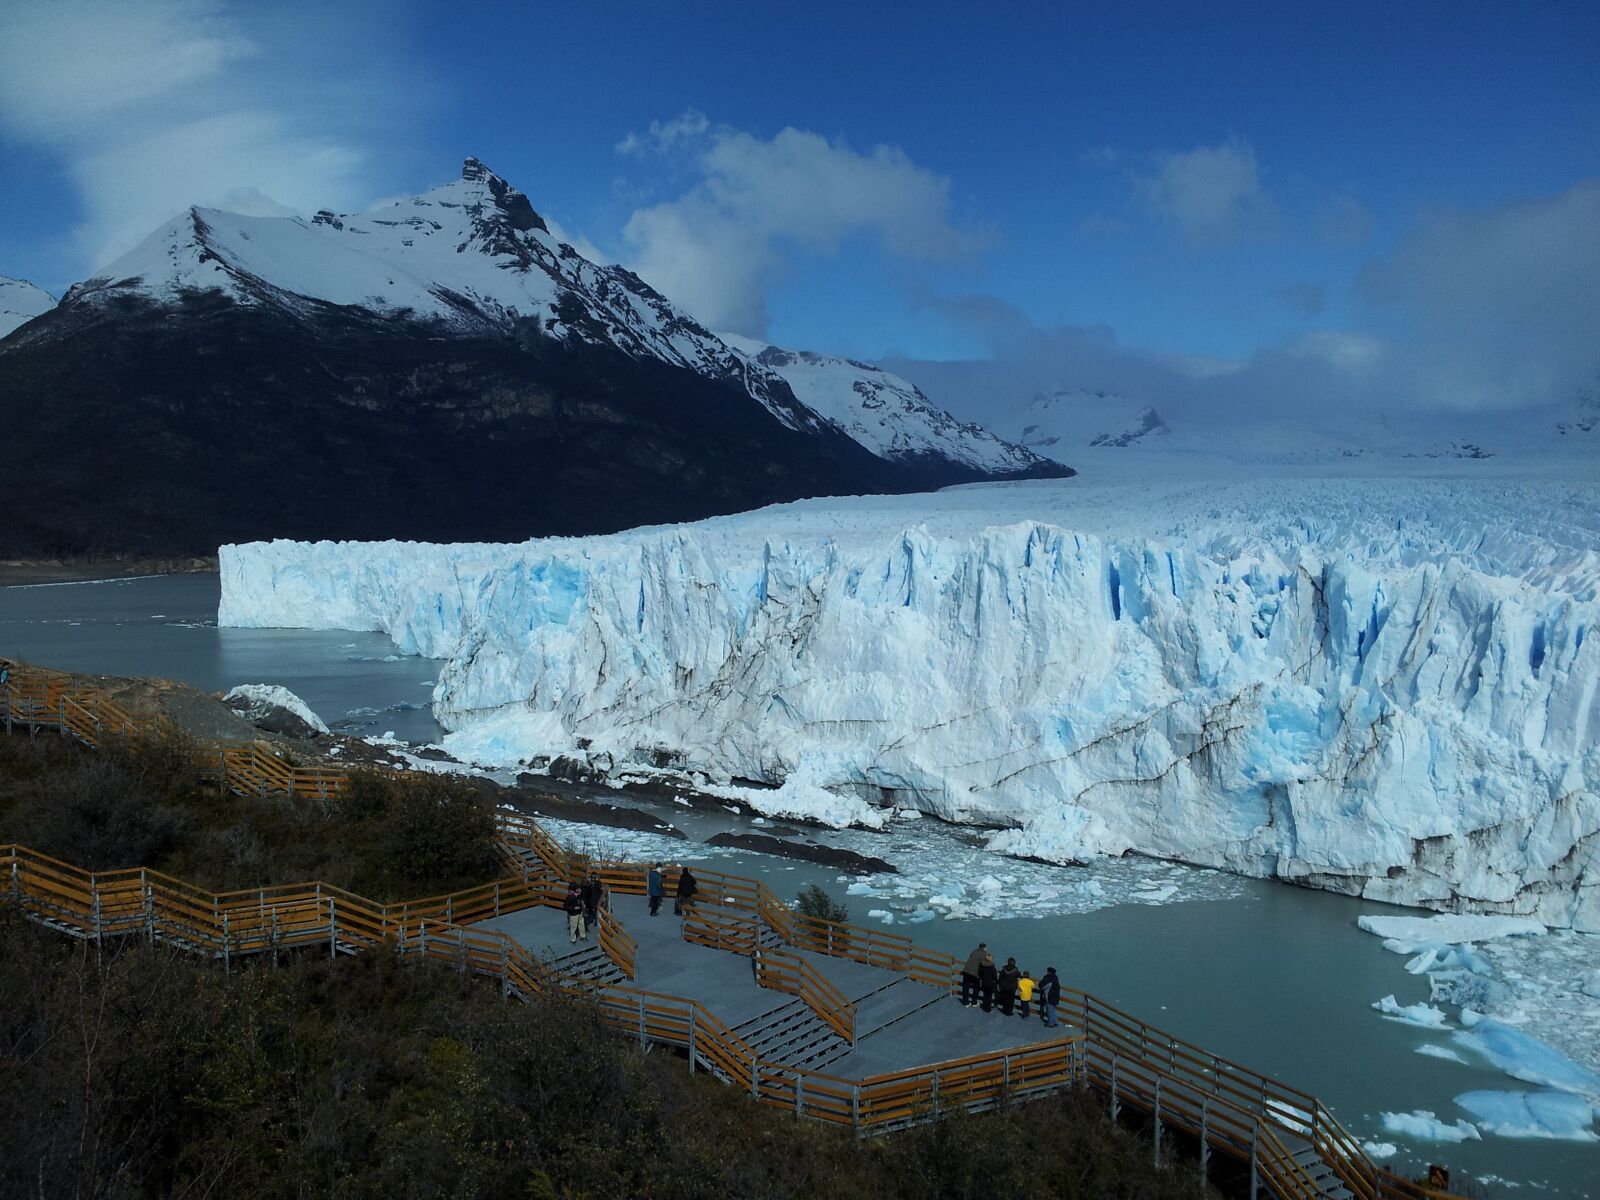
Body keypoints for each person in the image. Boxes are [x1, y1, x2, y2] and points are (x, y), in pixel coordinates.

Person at [960, 942, 987, 1007]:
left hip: (966, 971)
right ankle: (974, 1002)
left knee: (965, 987)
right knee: (976, 988)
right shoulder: (984, 954)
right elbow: (984, 964)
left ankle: (966, 1002)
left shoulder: (974, 951)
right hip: (975, 973)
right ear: (984, 948)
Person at [581, 870, 603, 938]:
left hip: (595, 900)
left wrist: (594, 883)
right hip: (589, 900)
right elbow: (586, 890)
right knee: (589, 911)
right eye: (592, 877)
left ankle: (596, 921)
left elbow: (597, 888)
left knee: (595, 910)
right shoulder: (587, 884)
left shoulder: (598, 883)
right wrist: (589, 882)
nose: (593, 878)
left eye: (595, 877)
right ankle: (588, 922)